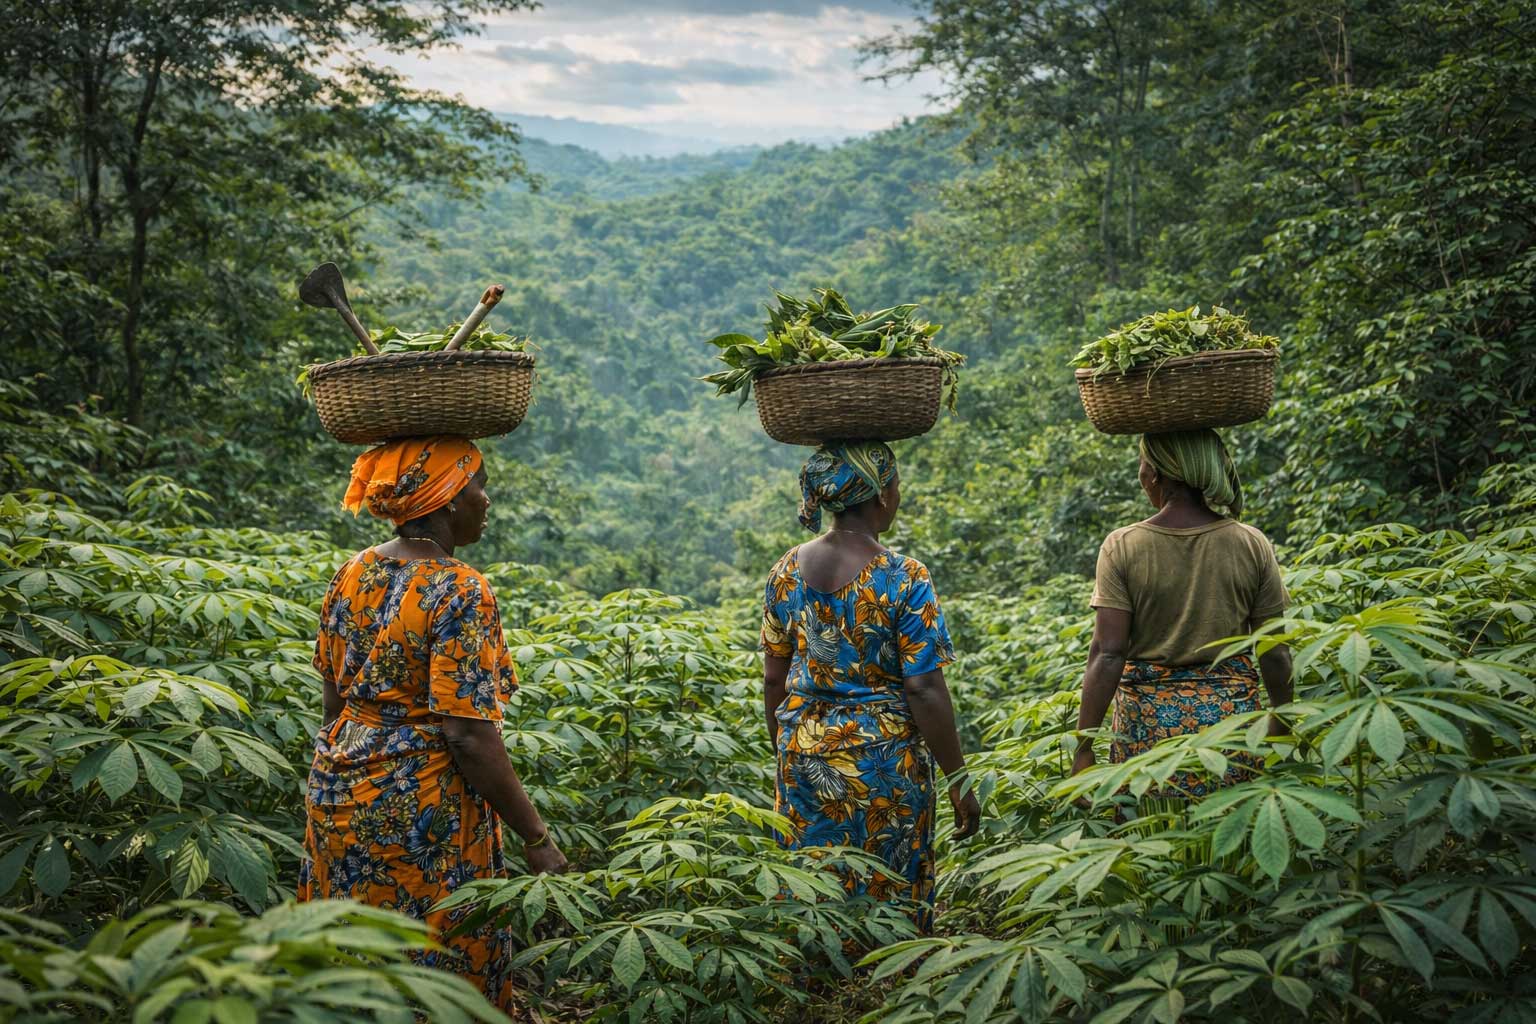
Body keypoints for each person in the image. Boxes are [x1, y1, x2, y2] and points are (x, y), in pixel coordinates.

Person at [299, 435, 566, 1014]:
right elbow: (466, 735)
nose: (486, 499)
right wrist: (536, 837)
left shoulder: (353, 571)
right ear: (447, 498)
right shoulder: (462, 587)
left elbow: (332, 701)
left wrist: (340, 772)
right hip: (422, 811)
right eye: (478, 484)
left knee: (350, 964)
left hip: (338, 789)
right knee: (433, 972)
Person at [761, 441, 980, 929]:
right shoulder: (904, 577)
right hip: (883, 764)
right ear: (880, 495)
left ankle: (819, 992)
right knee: (890, 895)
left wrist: (787, 750)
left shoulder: (784, 571)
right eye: (896, 484)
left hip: (803, 758)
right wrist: (958, 779)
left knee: (813, 893)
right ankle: (891, 990)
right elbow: (923, 689)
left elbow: (774, 676)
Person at [1071, 428, 1293, 800]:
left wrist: (1083, 749)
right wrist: (1282, 717)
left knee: (1152, 844)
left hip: (1148, 735)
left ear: (1156, 474)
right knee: (1231, 843)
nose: (1140, 474)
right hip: (1233, 729)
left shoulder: (1123, 546)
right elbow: (1273, 648)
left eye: (1143, 464)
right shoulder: (1251, 542)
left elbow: (1108, 653)